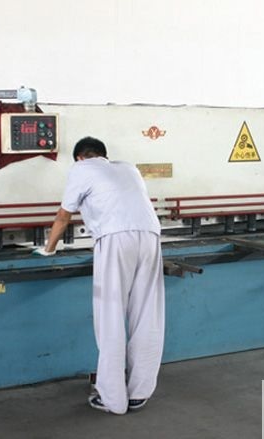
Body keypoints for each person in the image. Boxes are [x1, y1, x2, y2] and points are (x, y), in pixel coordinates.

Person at [33, 136, 166, 415]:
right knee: (148, 315)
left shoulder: (81, 168)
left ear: (80, 157)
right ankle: (139, 392)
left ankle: (112, 399)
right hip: (151, 236)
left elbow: (63, 216)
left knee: (110, 315)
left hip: (115, 238)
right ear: (104, 155)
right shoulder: (128, 167)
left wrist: (48, 249)